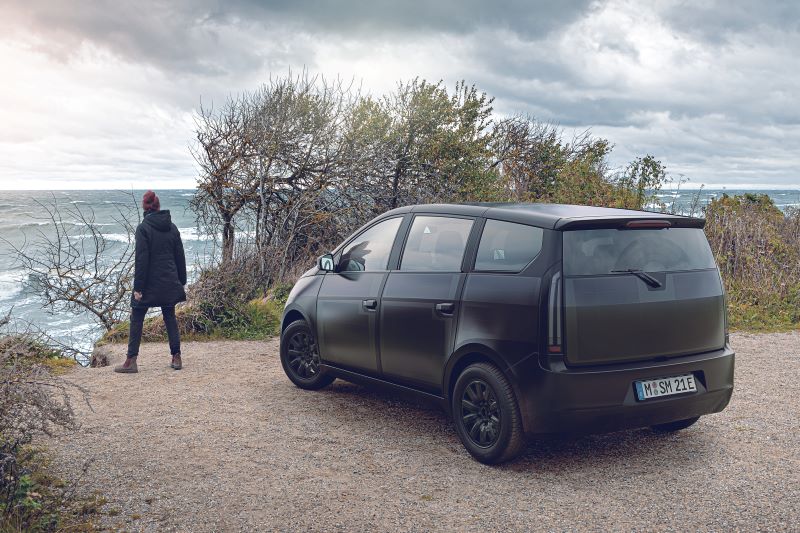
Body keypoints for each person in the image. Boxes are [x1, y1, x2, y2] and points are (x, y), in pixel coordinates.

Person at [115, 190, 187, 373]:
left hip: (148, 285)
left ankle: (131, 361)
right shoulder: (172, 227)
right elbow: (180, 256)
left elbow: (142, 260)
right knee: (169, 316)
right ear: (158, 206)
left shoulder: (143, 228)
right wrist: (182, 280)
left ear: (145, 207)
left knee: (137, 316)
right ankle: (176, 357)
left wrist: (138, 288)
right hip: (170, 282)